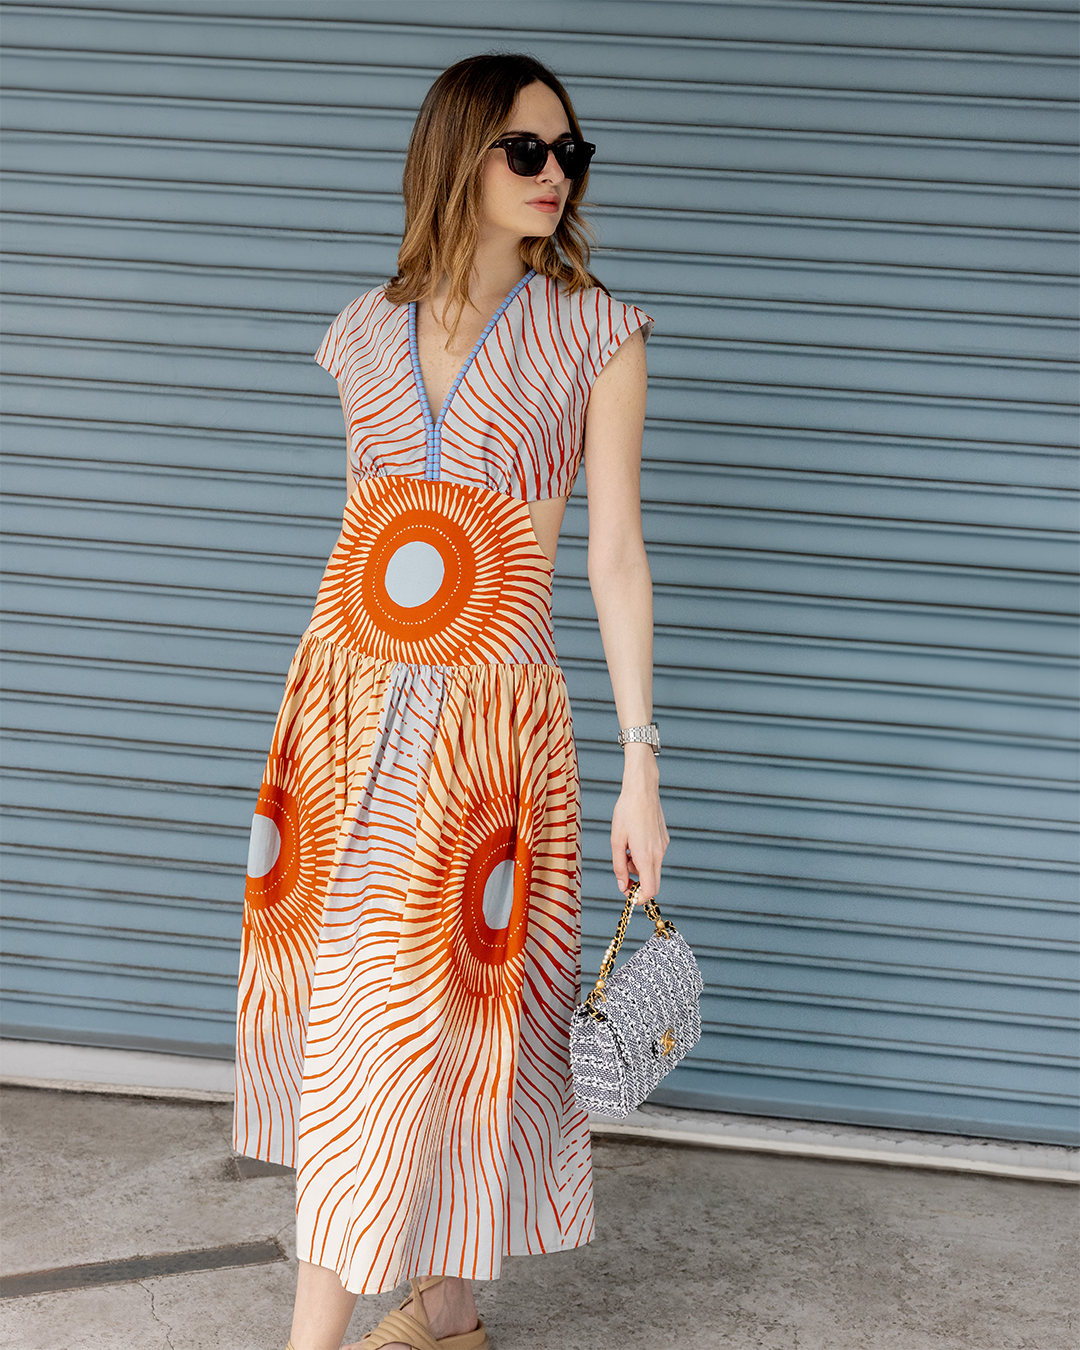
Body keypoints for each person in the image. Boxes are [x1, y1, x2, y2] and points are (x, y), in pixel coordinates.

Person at [232, 52, 669, 1350]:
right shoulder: (365, 331)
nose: (554, 175)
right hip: (344, 712)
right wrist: (318, 711)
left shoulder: (598, 333)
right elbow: (366, 535)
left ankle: (313, 1338)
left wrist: (644, 762)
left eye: (569, 155)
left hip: (487, 734)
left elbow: (614, 553)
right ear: (459, 155)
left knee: (410, 1019)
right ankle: (447, 1314)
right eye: (526, 150)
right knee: (363, 1011)